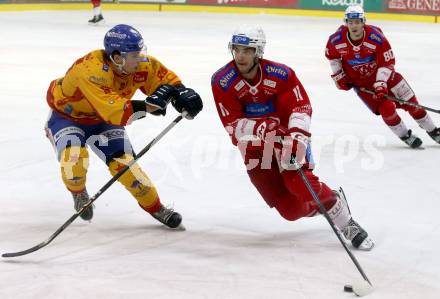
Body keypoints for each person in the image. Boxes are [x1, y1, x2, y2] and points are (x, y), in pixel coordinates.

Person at [211, 25, 374, 250]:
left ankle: (345, 221)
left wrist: (296, 136)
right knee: (290, 211)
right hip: (254, 148)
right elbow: (232, 125)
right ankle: (326, 203)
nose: (240, 55)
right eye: (237, 49)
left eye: (247, 50)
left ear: (258, 52)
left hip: (287, 138)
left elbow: (301, 107)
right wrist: (260, 129)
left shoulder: (281, 74)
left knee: (299, 183)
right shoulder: (222, 80)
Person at [44, 24, 203, 229]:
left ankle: (156, 208)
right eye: (136, 55)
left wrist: (181, 93)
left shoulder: (137, 65)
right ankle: (78, 192)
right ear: (118, 58)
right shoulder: (90, 70)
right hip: (68, 117)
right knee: (73, 158)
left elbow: (163, 79)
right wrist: (150, 106)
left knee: (127, 166)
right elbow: (115, 112)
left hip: (104, 120)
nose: (141, 59)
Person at [325, 5, 440, 148]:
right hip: (363, 85)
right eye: (350, 22)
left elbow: (388, 61)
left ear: (363, 22)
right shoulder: (335, 40)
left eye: (357, 22)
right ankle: (405, 135)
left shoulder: (376, 37)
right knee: (386, 109)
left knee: (412, 104)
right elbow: (333, 58)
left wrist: (380, 82)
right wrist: (339, 77)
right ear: (346, 22)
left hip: (388, 78)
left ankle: (434, 131)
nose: (353, 25)